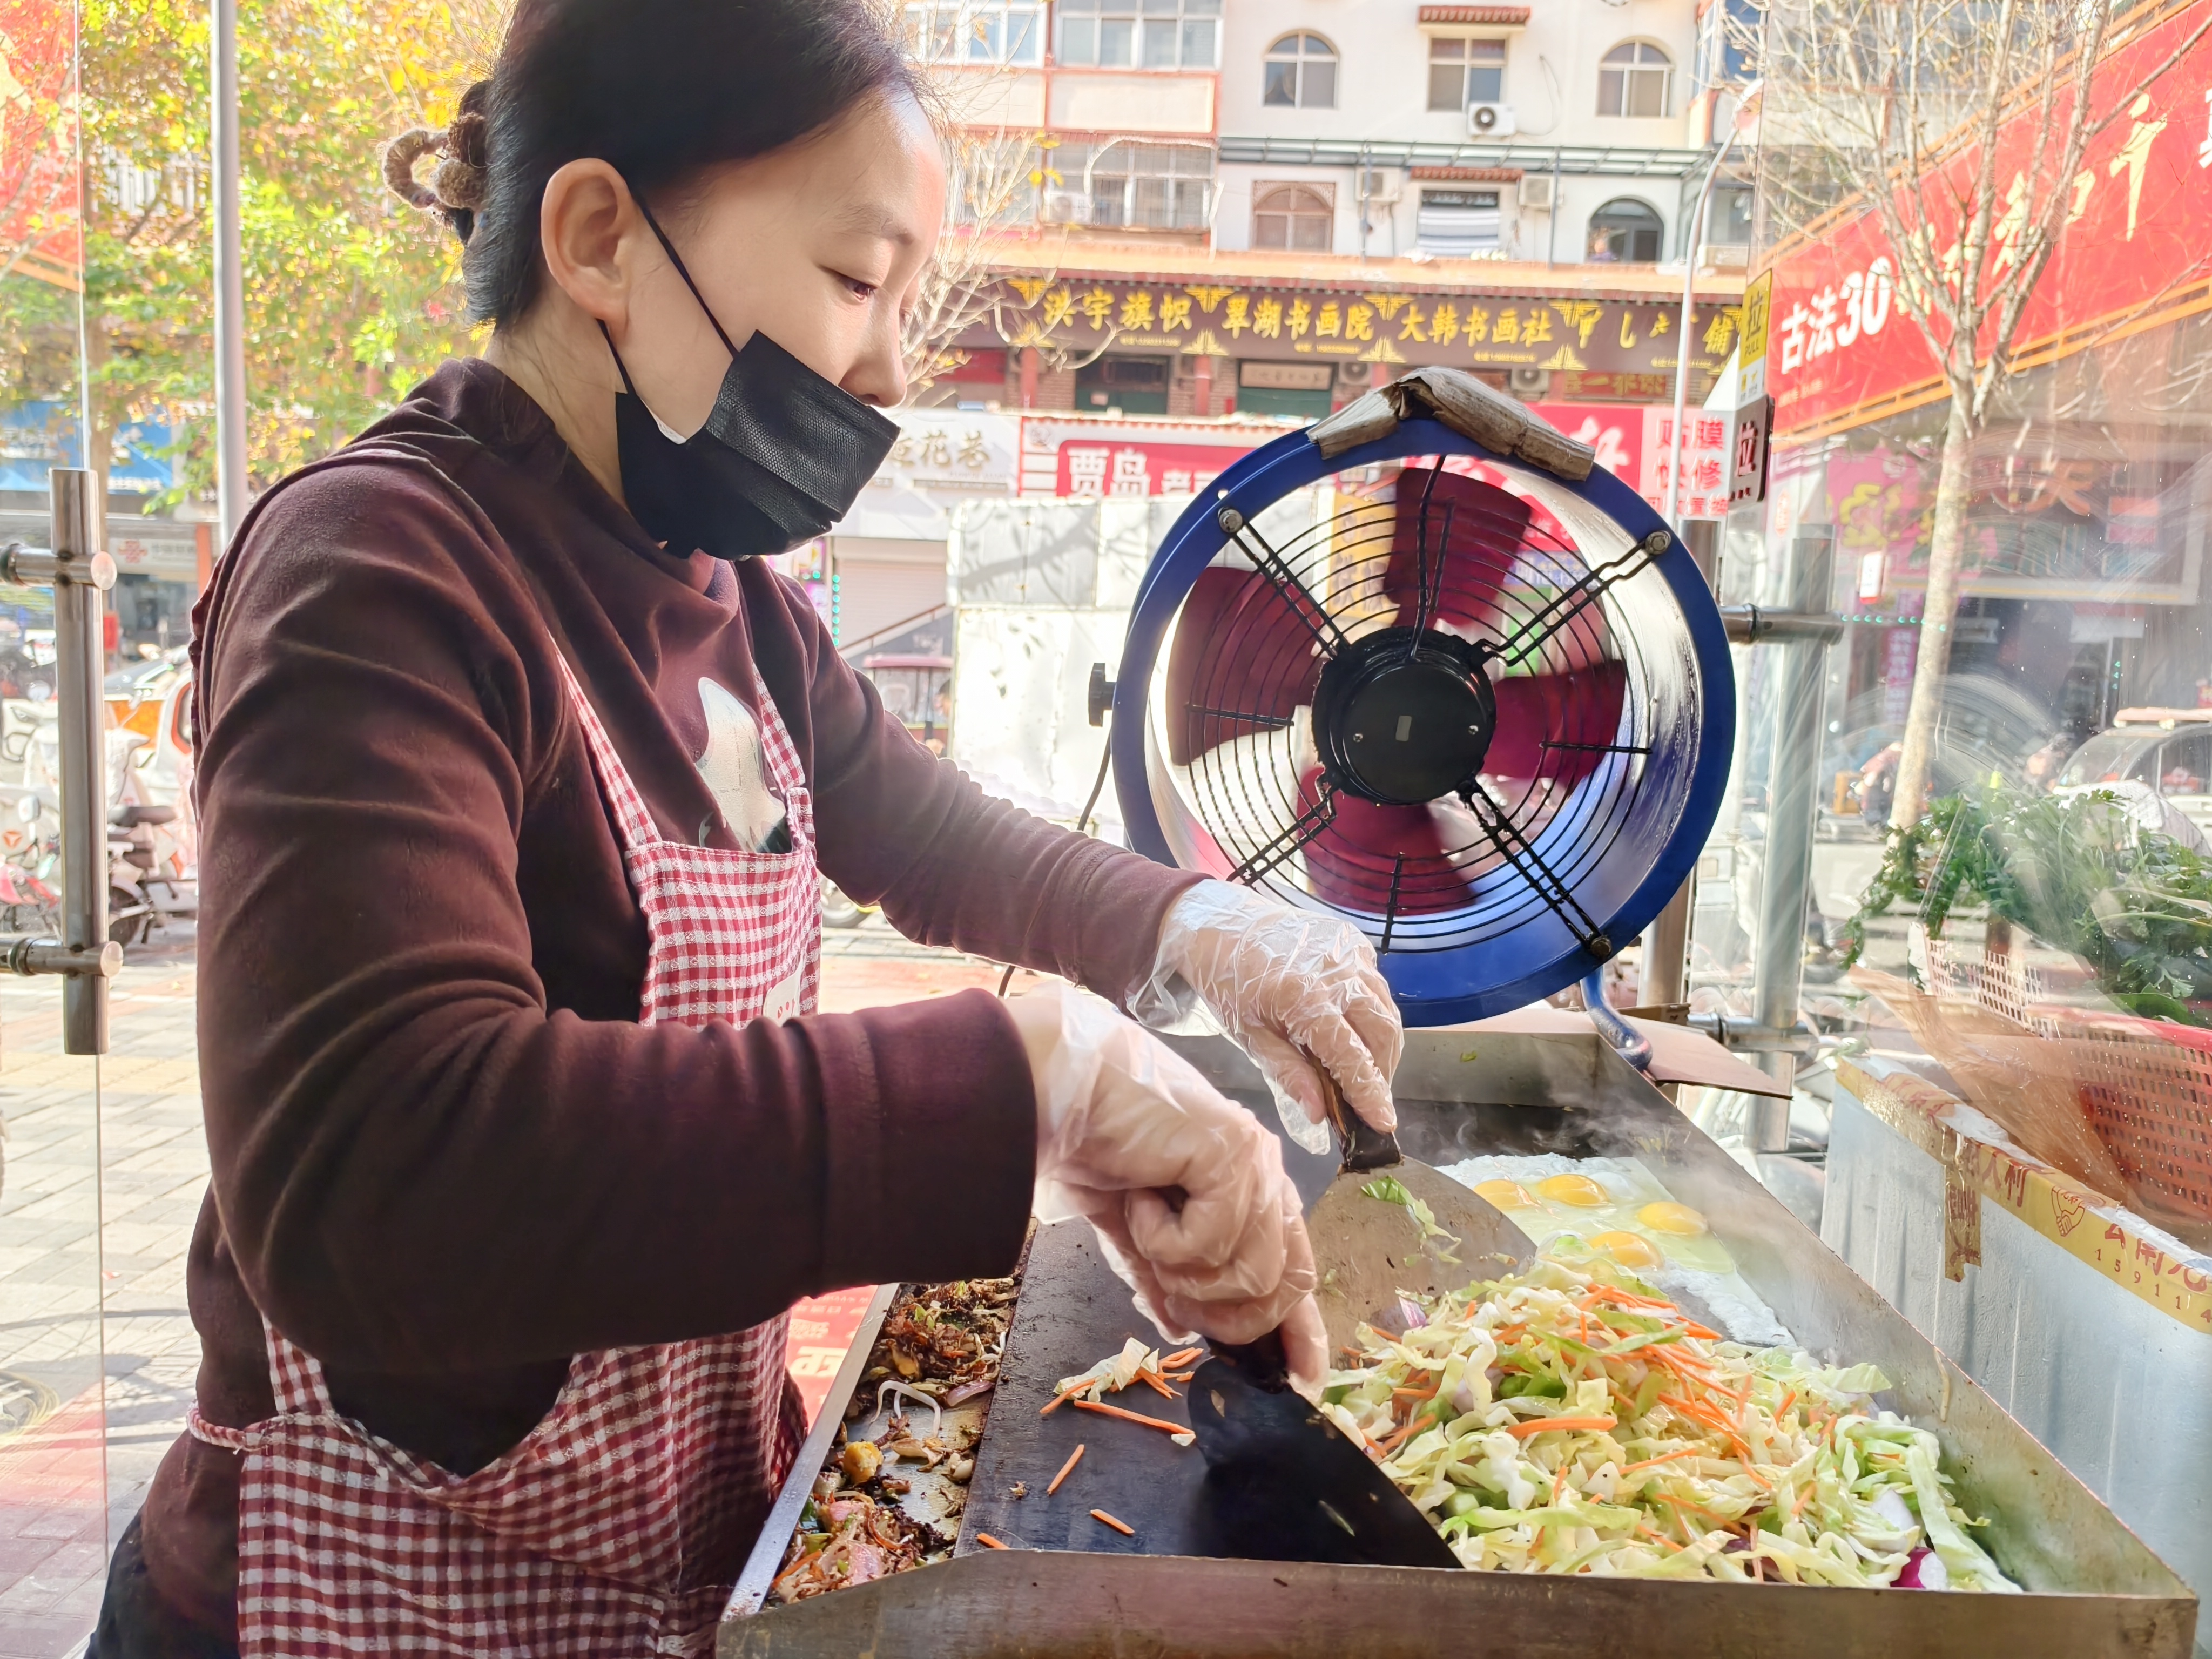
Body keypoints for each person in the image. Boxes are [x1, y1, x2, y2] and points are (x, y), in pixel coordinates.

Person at [89, 3, 1401, 1653]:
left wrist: (1196, 930)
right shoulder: (378, 570)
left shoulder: (734, 602)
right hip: (365, 1591)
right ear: (597, 237)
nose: (892, 372)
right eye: (858, 281)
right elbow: (375, 1179)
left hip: (665, 1551)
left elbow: (931, 833)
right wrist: (1029, 1083)